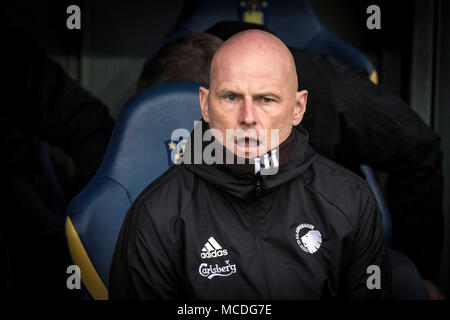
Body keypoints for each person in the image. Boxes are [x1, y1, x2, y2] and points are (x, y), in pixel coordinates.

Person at [137, 21, 445, 299]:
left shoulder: (335, 99)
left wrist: (421, 269)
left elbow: (417, 146)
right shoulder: (163, 196)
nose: (245, 119)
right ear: (206, 104)